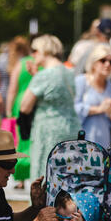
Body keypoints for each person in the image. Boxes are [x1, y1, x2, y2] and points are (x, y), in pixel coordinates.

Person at [18, 35, 78, 181]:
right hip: (70, 129)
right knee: (65, 177)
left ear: (44, 51)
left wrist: (34, 77)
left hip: (48, 132)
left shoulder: (44, 75)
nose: (32, 55)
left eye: (35, 50)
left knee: (44, 175)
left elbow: (25, 106)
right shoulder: (69, 73)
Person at [74, 43, 111, 149]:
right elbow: (73, 109)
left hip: (104, 140)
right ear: (94, 63)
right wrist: (99, 109)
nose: (107, 64)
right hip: (82, 140)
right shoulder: (81, 81)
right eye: (103, 60)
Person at [3, 36, 34, 184]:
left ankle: (20, 177)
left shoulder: (19, 64)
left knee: (20, 140)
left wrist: (8, 110)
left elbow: (12, 90)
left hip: (20, 103)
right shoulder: (36, 63)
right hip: (34, 102)